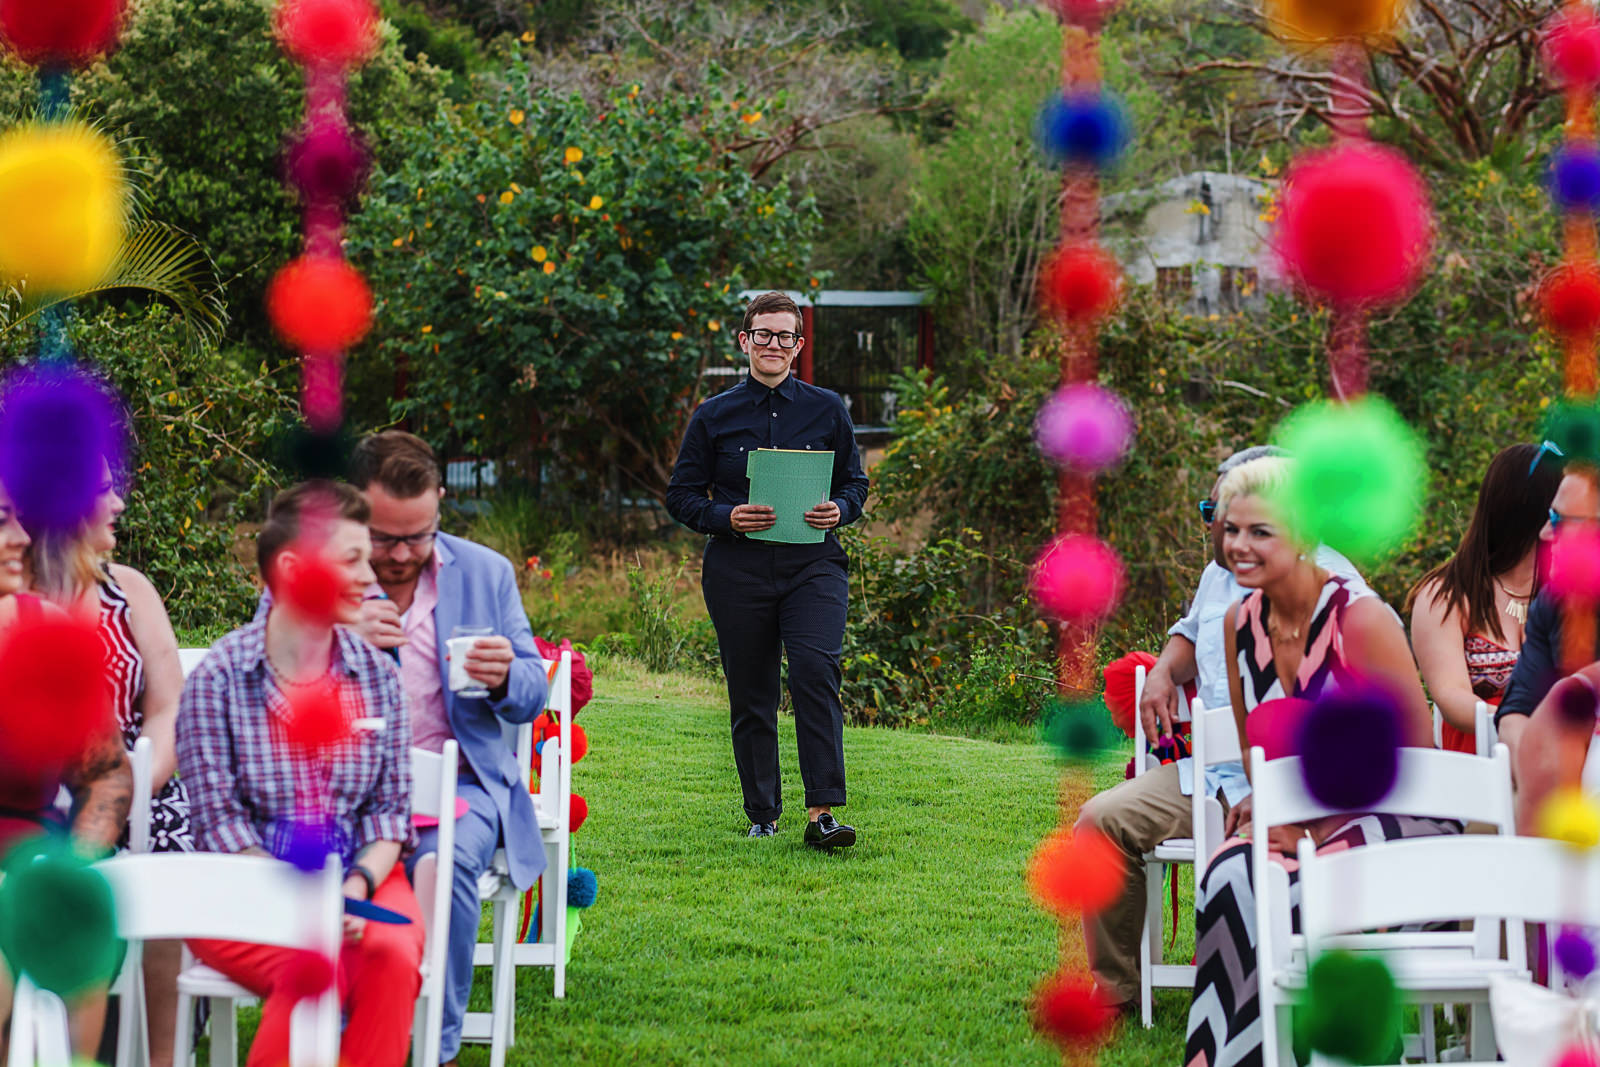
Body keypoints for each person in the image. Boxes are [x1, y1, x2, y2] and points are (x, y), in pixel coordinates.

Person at [1076, 445, 1369, 1014]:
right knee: (1100, 823)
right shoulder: (1220, 581)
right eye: (1215, 517)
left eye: (1232, 518)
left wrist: (1285, 794)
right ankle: (1115, 992)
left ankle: (1275, 994)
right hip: (1207, 776)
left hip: (1302, 787)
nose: (1222, 535)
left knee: (1249, 869)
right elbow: (1190, 636)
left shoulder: (1340, 590)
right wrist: (1162, 671)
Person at [1184, 457, 1450, 1067]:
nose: (1238, 546)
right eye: (1230, 529)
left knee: (1296, 894)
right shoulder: (1237, 625)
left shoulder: (1362, 619)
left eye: (1260, 532)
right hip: (1300, 826)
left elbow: (1422, 771)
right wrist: (1273, 810)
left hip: (1400, 830)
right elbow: (1264, 763)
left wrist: (1316, 819)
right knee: (1229, 876)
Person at [177, 482, 423, 1067]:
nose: (371, 576)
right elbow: (219, 825)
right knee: (312, 961)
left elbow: (389, 813)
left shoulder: (377, 677)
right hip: (241, 887)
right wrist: (309, 902)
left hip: (361, 875)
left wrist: (354, 887)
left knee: (390, 955)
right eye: (352, 559)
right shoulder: (220, 678)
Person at [339, 431, 548, 1067]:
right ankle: (346, 1027)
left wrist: (506, 675)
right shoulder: (314, 576)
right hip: (341, 786)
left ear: (440, 507)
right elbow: (263, 674)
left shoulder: (486, 572)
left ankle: (438, 1044)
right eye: (382, 538)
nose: (400, 554)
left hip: (462, 782)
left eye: (418, 535)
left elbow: (534, 688)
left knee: (449, 863)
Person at [665, 290, 870, 846]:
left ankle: (822, 814)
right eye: (763, 334)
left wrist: (841, 508)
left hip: (814, 567)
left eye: (785, 336)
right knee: (751, 692)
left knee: (814, 673)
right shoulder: (713, 416)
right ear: (745, 341)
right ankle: (762, 813)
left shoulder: (828, 409)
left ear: (798, 346)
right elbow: (680, 496)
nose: (773, 344)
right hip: (738, 571)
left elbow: (856, 483)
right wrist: (726, 515)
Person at [25, 465, 192, 1067]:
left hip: (140, 779)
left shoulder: (130, 589)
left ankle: (162, 1056)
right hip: (33, 787)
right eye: (101, 491)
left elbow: (170, 705)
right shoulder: (13, 596)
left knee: (171, 850)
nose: (119, 502)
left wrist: (136, 789)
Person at [0, 475, 133, 1059]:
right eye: (1, 520)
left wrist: (75, 866)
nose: (23, 537)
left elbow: (106, 773)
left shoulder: (45, 633)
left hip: (28, 860)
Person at [1406, 443, 1559, 755]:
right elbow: (1452, 698)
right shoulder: (1446, 595)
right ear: (1533, 513)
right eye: (1562, 510)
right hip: (1478, 769)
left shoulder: (1567, 594)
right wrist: (1520, 725)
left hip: (1561, 767)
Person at [1494, 461, 1600, 810]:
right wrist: (1547, 773)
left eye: (1558, 521)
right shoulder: (1553, 604)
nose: (1544, 534)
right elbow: (1515, 712)